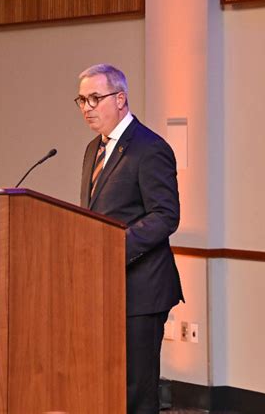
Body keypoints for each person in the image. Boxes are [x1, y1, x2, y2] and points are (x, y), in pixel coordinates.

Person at [76, 64, 184, 414]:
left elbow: (165, 215)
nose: (87, 107)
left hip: (142, 291)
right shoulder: (94, 149)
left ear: (120, 98)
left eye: (95, 97)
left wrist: (112, 248)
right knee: (108, 385)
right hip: (105, 288)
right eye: (81, 99)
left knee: (137, 390)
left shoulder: (149, 148)